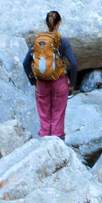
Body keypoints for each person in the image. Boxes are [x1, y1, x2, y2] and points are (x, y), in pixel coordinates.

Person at [23, 10, 78, 138]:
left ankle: (45, 142)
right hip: (59, 82)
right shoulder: (62, 42)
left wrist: (33, 81)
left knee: (44, 114)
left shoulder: (38, 41)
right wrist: (72, 83)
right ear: (59, 23)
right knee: (58, 114)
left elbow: (26, 63)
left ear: (46, 23)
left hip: (42, 82)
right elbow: (73, 64)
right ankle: (58, 143)